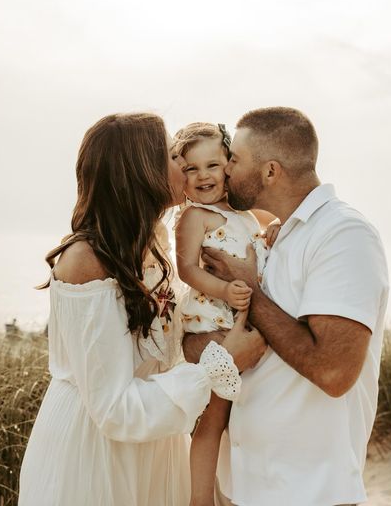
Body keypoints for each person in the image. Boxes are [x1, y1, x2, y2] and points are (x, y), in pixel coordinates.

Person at [18, 113, 266, 506]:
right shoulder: (87, 260)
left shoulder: (153, 240)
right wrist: (221, 363)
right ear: (141, 170)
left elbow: (157, 350)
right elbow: (114, 408)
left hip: (154, 438)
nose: (183, 165)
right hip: (96, 452)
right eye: (171, 156)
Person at [186, 107, 389, 506]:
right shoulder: (274, 236)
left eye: (236, 160)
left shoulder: (344, 235)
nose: (226, 170)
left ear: (270, 171)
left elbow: (333, 371)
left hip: (308, 491)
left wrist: (245, 286)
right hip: (245, 486)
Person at [172, 123, 270, 506]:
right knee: (213, 417)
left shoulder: (246, 215)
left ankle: (229, 493)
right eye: (191, 169)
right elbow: (187, 269)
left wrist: (274, 231)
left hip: (244, 319)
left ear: (230, 165)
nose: (203, 176)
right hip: (212, 319)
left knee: (237, 419)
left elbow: (263, 240)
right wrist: (223, 289)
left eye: (212, 165)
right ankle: (200, 500)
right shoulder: (194, 217)